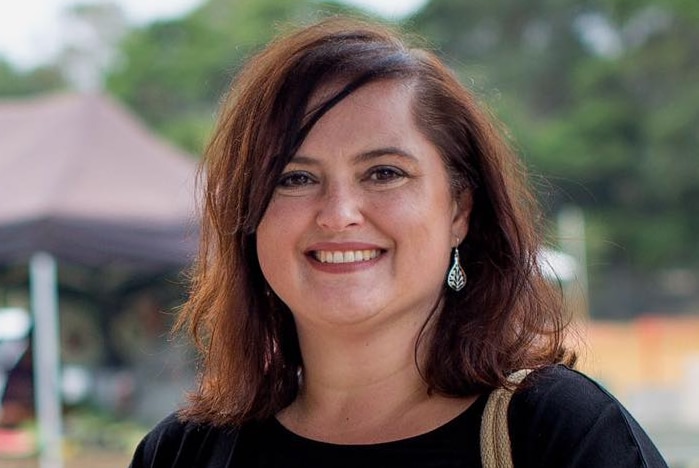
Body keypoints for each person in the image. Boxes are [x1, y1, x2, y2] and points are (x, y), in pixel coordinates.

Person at [129, 17, 668, 467]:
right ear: (249, 219)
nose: (339, 215)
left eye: (384, 173)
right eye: (294, 178)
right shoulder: (184, 453)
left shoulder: (561, 435)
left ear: (459, 209)